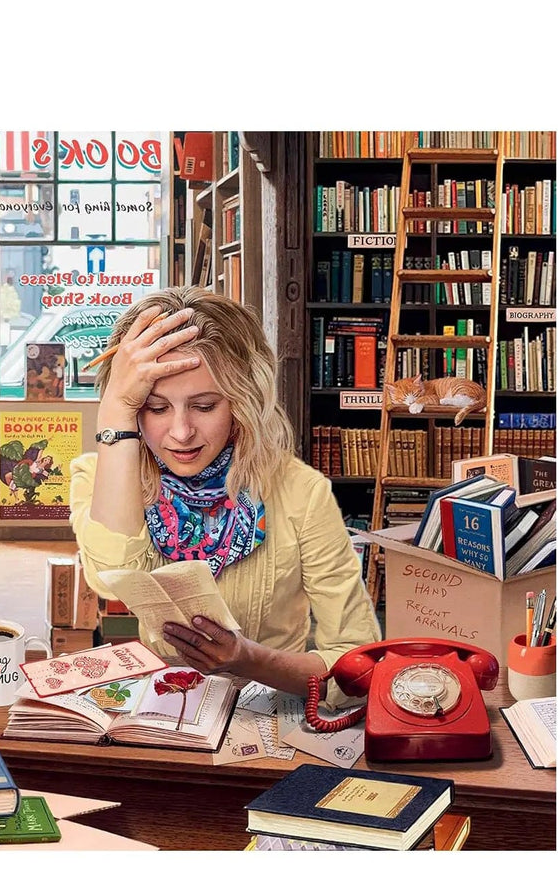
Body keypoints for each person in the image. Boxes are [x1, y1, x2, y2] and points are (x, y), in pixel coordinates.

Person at [70, 286, 381, 704]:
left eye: (203, 405)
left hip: (273, 713)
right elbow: (111, 578)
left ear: (242, 401)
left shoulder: (301, 492)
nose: (181, 433)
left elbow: (356, 668)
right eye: (156, 408)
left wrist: (247, 659)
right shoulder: (99, 473)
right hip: (164, 715)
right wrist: (114, 412)